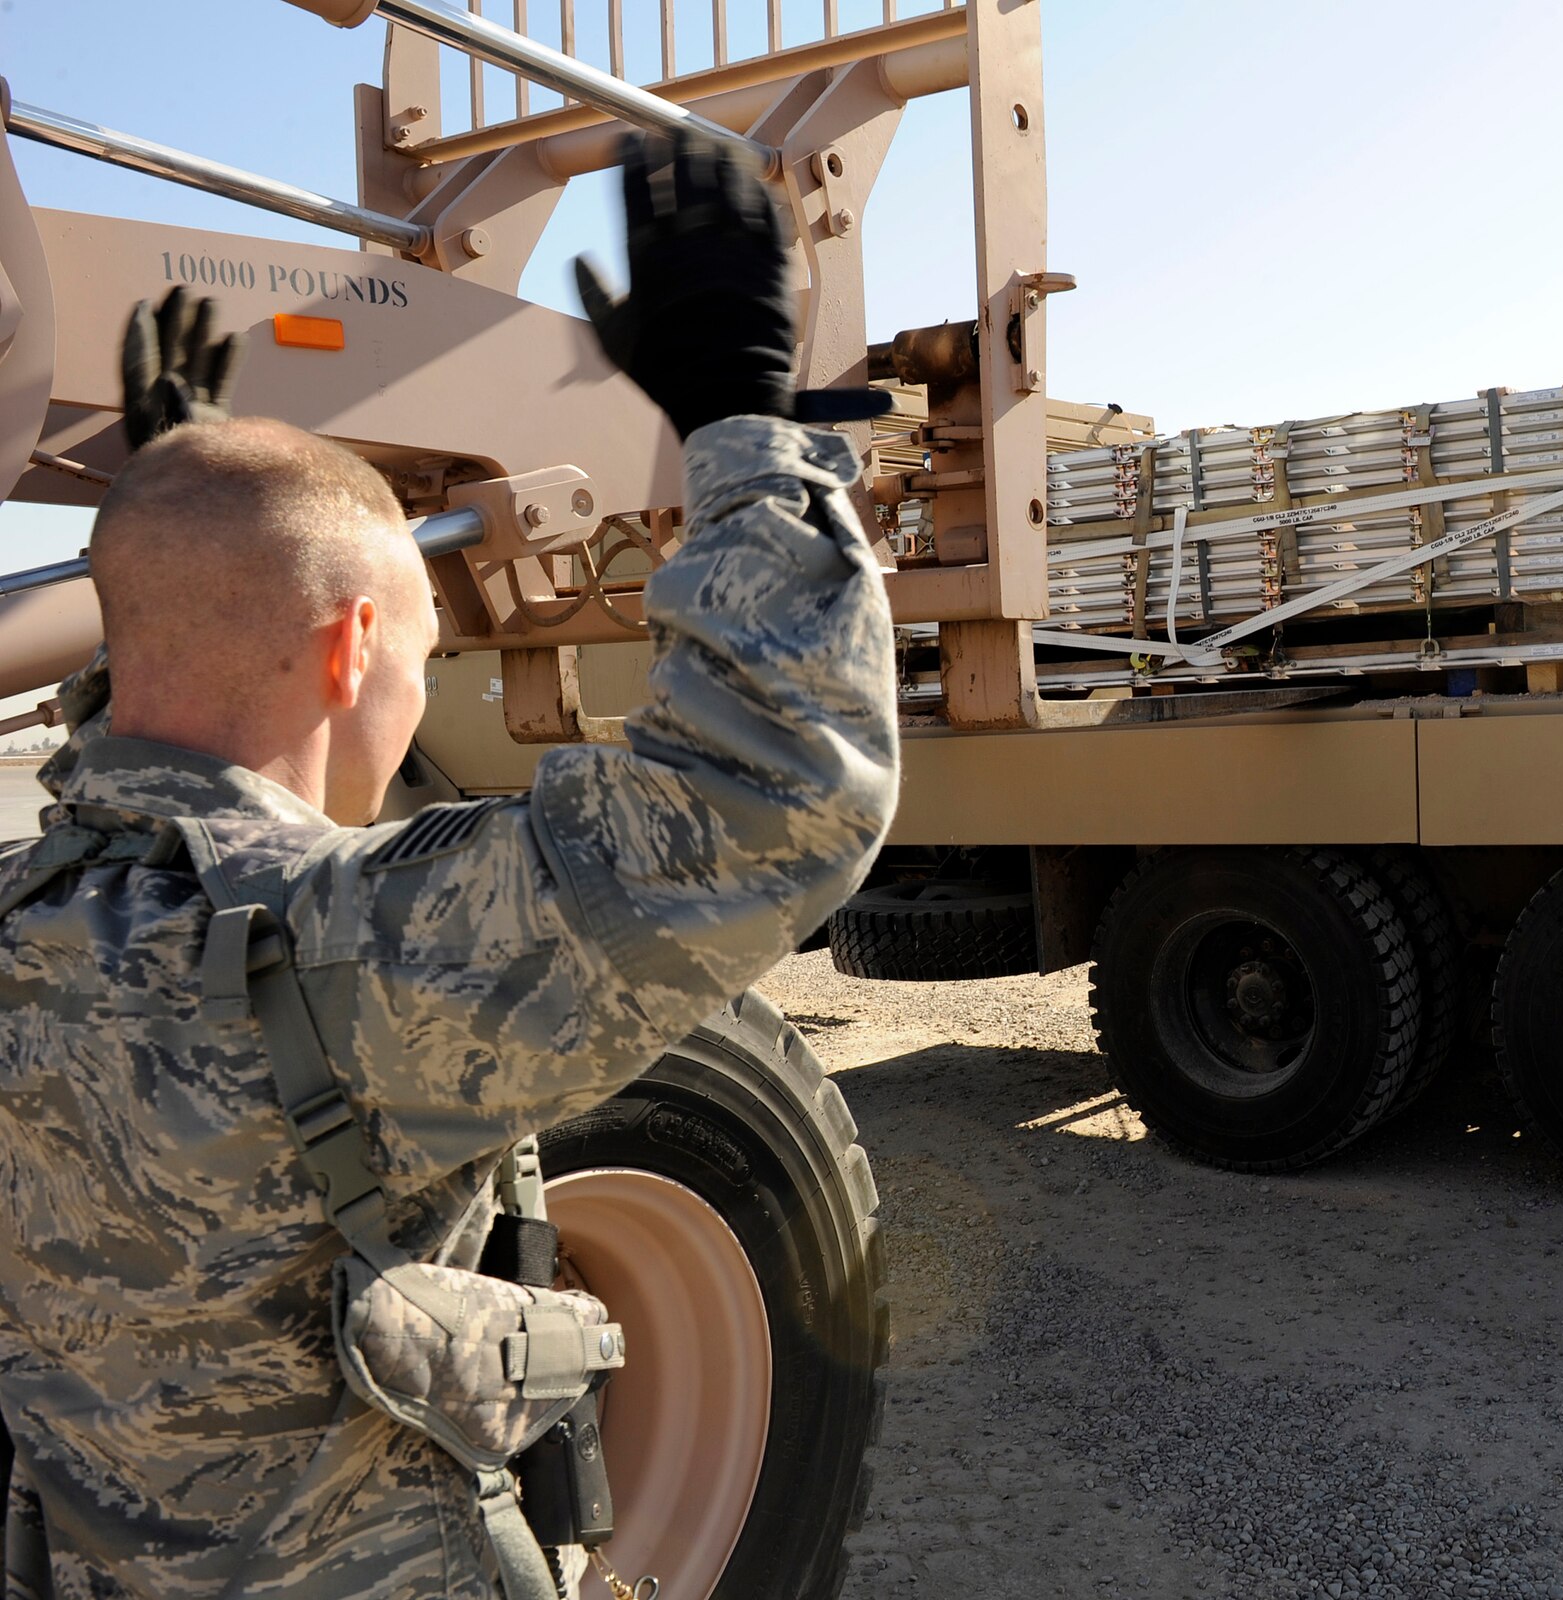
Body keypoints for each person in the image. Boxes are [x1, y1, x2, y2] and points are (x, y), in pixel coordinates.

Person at [0, 127, 898, 1597]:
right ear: (355, 646)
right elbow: (770, 800)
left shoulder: (30, 916)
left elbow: (158, 712)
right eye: (419, 650)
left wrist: (167, 533)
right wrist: (743, 419)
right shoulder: (350, 953)